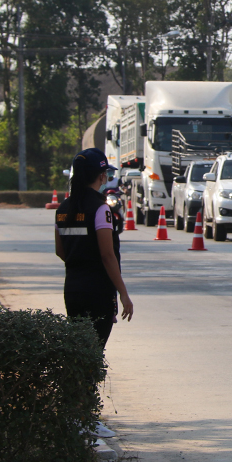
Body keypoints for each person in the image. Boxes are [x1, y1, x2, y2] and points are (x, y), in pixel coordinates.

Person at [55, 148, 133, 352]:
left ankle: (79, 384)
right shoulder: (100, 209)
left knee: (80, 351)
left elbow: (60, 251)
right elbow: (107, 255)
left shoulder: (62, 209)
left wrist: (79, 262)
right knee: (93, 352)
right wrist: (123, 293)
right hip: (98, 291)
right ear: (101, 176)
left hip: (72, 288)